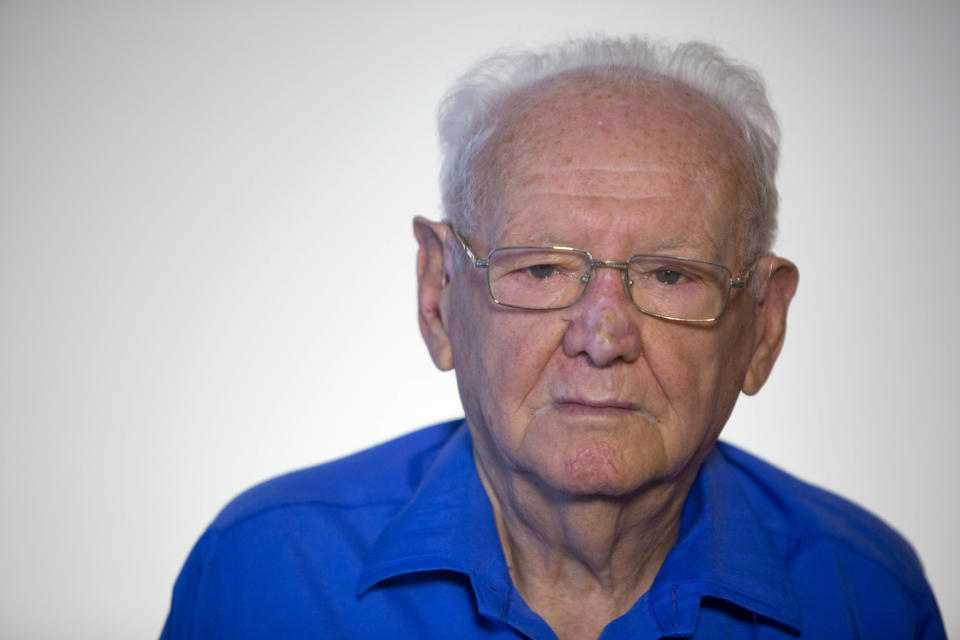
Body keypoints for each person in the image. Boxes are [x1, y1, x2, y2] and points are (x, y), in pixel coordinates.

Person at [161, 36, 945, 639]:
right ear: (439, 298)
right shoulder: (264, 569)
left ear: (763, 328)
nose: (602, 338)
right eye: (540, 270)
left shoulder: (865, 593)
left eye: (671, 275)